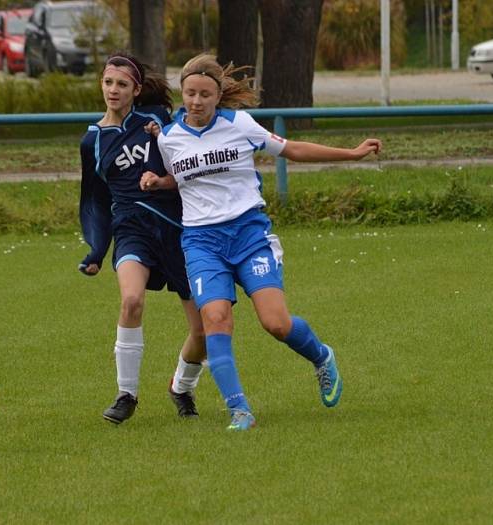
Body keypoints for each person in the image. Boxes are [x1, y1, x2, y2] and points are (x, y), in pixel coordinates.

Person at [140, 54, 382, 431]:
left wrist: (350, 153)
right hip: (202, 242)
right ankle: (239, 410)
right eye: (190, 93)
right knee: (215, 318)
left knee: (276, 323)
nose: (196, 101)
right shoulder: (170, 137)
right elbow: (184, 177)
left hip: (249, 236)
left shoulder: (240, 125)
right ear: (182, 93)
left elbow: (292, 149)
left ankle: (321, 357)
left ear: (218, 95)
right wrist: (159, 181)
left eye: (205, 94)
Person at [79, 52, 206, 425]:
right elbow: (94, 202)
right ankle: (126, 395)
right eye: (107, 82)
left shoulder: (157, 120)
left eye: (121, 84)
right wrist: (97, 250)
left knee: (202, 330)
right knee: (131, 300)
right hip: (131, 228)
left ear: (136, 89)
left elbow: (193, 150)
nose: (113, 90)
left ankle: (181, 387)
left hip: (178, 228)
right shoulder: (93, 141)